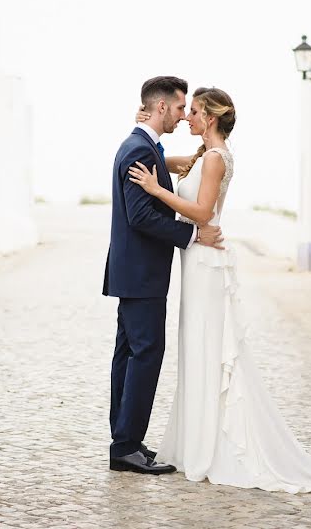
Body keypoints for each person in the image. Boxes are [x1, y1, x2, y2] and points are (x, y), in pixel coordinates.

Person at [127, 86, 311, 493]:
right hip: (197, 262)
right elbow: (162, 161)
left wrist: (157, 192)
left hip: (206, 263)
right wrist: (147, 136)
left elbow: (203, 212)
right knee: (196, 348)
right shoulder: (201, 157)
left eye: (192, 111)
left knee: (208, 347)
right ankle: (196, 440)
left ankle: (212, 444)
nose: (186, 117)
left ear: (209, 117)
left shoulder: (213, 159)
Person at [103, 76, 224, 475]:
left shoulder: (143, 145)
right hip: (141, 274)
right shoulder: (140, 149)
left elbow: (164, 173)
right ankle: (126, 446)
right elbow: (140, 216)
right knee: (145, 354)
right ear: (159, 108)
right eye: (177, 108)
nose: (180, 114)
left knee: (129, 355)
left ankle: (125, 440)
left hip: (134, 272)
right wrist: (192, 234)